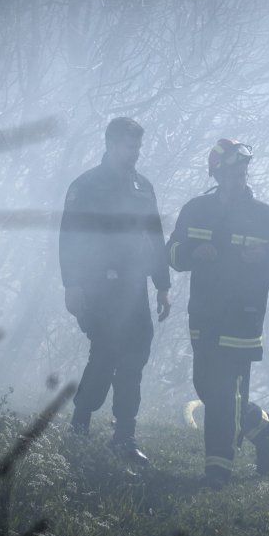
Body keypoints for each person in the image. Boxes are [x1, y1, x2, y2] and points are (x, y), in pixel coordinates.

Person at [166, 138, 269, 488]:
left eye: (242, 174)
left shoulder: (262, 216)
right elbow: (172, 254)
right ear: (216, 174)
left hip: (243, 318)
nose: (237, 181)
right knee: (208, 388)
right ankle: (263, 429)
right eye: (230, 175)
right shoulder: (196, 209)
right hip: (204, 315)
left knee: (227, 394)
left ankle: (218, 471)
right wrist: (194, 252)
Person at [59, 117, 171, 465]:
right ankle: (81, 421)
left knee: (135, 353)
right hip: (96, 286)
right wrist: (72, 285)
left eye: (137, 147)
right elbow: (69, 238)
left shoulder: (143, 187)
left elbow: (154, 237)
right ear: (110, 144)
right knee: (106, 353)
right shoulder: (87, 185)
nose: (134, 153)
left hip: (133, 287)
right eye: (128, 146)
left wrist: (162, 285)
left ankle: (124, 436)